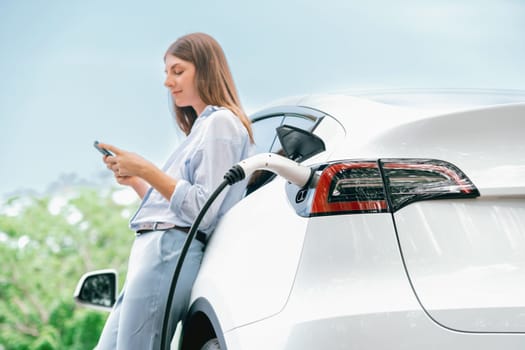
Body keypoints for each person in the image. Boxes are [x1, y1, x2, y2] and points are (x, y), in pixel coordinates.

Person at [95, 32, 254, 349]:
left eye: (178, 71)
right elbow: (177, 207)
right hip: (154, 250)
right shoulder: (201, 128)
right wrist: (138, 181)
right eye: (167, 73)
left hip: (169, 251)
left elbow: (201, 212)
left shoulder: (221, 123)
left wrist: (146, 169)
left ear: (206, 69)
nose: (168, 82)